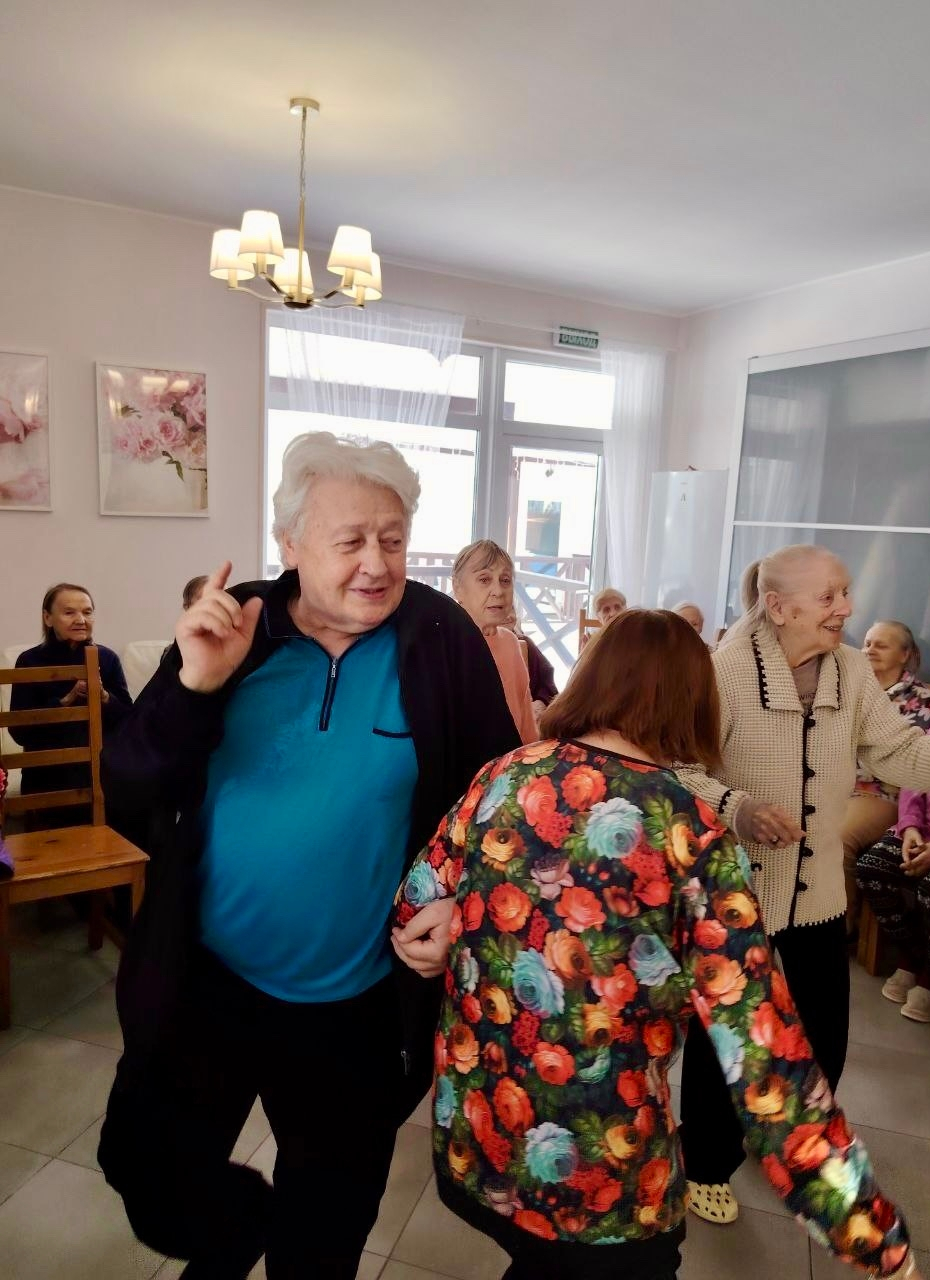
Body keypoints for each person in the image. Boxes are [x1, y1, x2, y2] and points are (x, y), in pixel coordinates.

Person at [96, 432, 520, 1280]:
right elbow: (130, 787)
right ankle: (235, 1233)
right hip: (208, 981)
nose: (377, 563)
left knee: (325, 1232)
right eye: (350, 540)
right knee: (147, 1172)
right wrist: (193, 687)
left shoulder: (439, 638)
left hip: (355, 1005)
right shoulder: (239, 627)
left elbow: (500, 805)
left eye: (393, 538)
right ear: (289, 544)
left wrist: (461, 902)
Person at [393, 610, 920, 1280]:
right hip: (601, 1186)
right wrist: (869, 1233)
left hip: (478, 1140)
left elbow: (414, 904)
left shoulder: (506, 773)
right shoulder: (691, 834)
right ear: (693, 703)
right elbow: (765, 1056)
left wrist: (466, 912)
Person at [674, 545, 930, 1225]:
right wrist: (738, 808)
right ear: (778, 607)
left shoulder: (852, 670)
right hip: (736, 892)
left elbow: (901, 752)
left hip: (818, 894)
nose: (846, 609)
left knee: (823, 1037)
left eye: (846, 592)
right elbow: (679, 769)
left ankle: (784, 1142)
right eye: (829, 596)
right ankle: (706, 1162)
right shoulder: (722, 671)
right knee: (725, 1040)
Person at [857, 707, 930, 1022]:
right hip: (925, 830)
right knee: (873, 867)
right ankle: (913, 953)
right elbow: (915, 778)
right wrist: (911, 826)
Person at [840, 621, 930, 936]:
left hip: (882, 793)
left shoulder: (920, 698)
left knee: (837, 839)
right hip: (836, 783)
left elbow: (903, 760)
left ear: (904, 654)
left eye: (881, 645)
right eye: (868, 643)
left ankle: (840, 930)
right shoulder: (850, 686)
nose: (870, 650)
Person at [10, 583, 132, 824]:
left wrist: (103, 696)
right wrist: (66, 700)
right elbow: (19, 732)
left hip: (99, 771)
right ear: (48, 617)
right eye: (69, 612)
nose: (81, 620)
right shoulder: (29, 661)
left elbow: (128, 721)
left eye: (87, 612)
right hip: (47, 773)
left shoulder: (106, 658)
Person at [452, 541, 539, 743]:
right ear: (458, 588)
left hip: (512, 759)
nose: (498, 591)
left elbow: (525, 718)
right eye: (484, 579)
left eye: (505, 580)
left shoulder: (510, 642)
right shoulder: (445, 646)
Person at [505, 606, 558, 725]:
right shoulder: (476, 647)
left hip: (531, 719)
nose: (509, 616)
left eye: (511, 609)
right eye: (500, 608)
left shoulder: (526, 644)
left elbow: (547, 682)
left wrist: (541, 702)